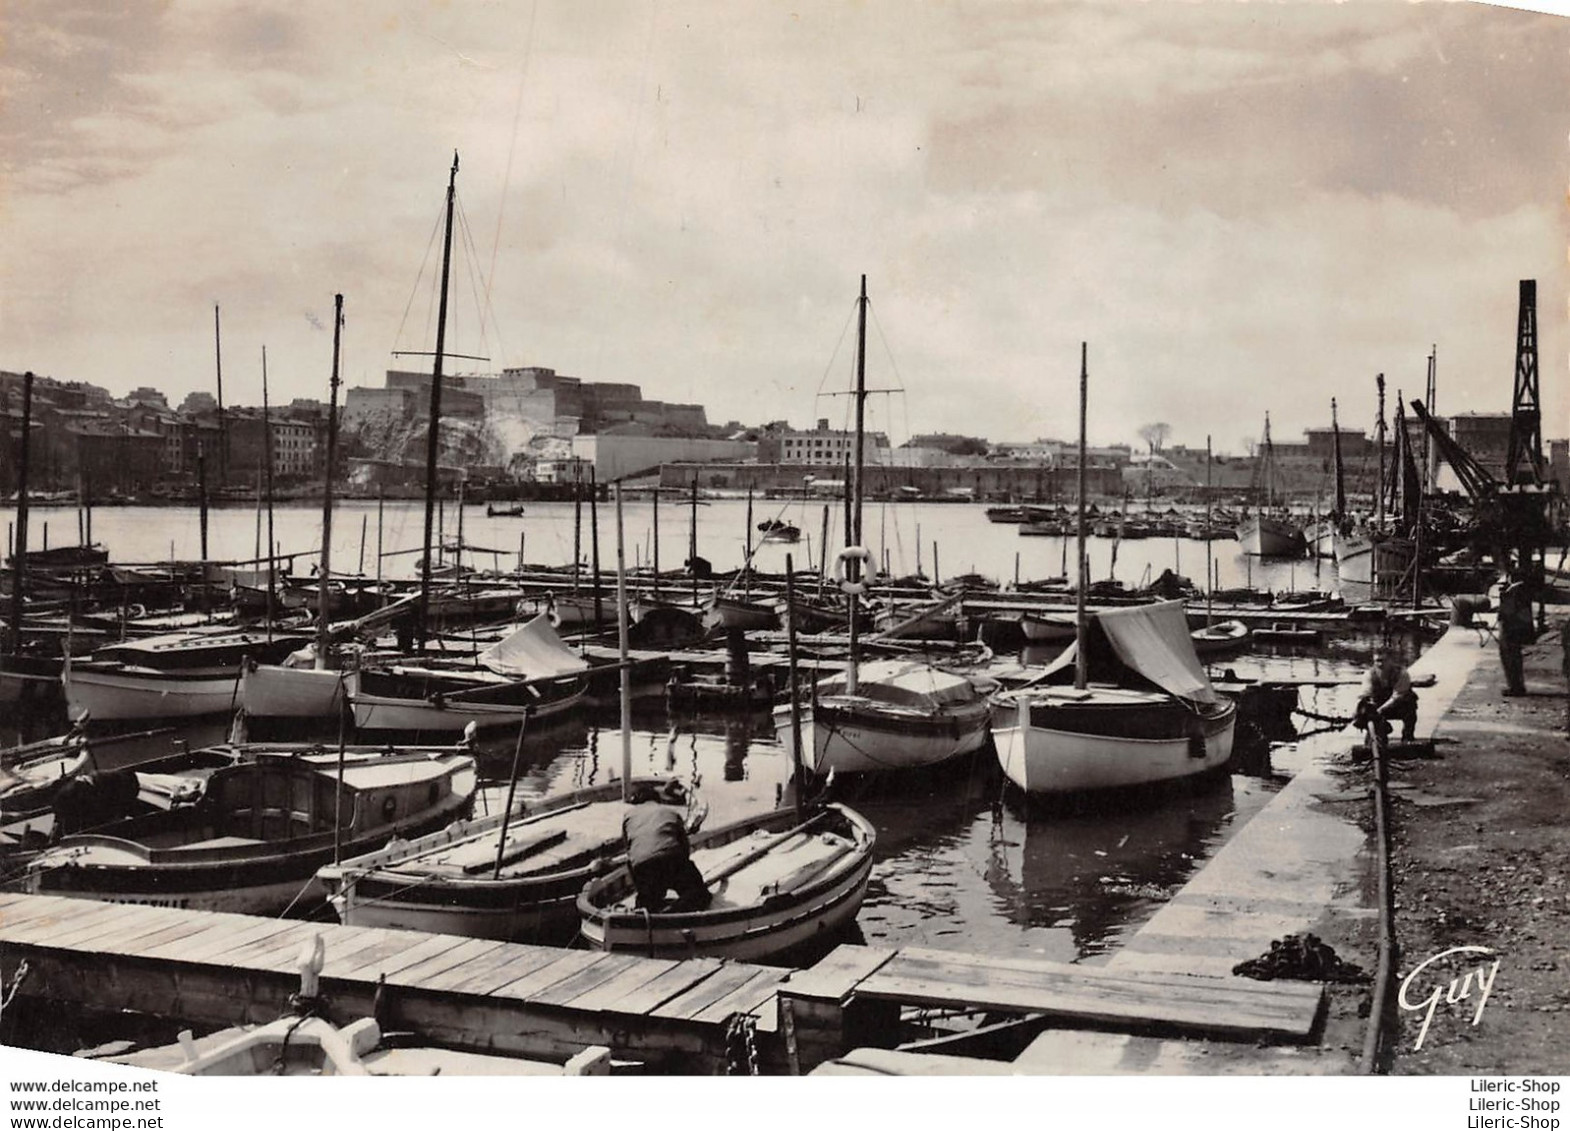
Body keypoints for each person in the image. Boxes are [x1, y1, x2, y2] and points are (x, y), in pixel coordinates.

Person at [621, 782, 711, 913]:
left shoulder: (628, 816)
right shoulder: (671, 813)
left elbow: (629, 853)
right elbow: (684, 848)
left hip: (643, 868)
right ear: (658, 800)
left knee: (649, 900)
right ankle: (674, 908)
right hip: (671, 860)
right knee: (701, 896)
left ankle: (647, 902)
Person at [1353, 648, 1419, 744]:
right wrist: (1358, 710)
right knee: (1364, 710)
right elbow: (1365, 693)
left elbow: (1397, 696)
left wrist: (1380, 710)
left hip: (1398, 705)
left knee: (1410, 705)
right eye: (1377, 661)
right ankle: (1377, 737)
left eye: (1383, 661)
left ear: (1391, 660)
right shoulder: (1369, 674)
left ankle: (1407, 737)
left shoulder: (1402, 673)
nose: (1380, 664)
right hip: (1379, 703)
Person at [1497, 574, 1537, 697]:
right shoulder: (1520, 589)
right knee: (1513, 657)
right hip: (1514, 628)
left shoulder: (1514, 590)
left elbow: (1507, 611)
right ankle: (1516, 685)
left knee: (1510, 658)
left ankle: (1515, 687)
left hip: (1510, 630)